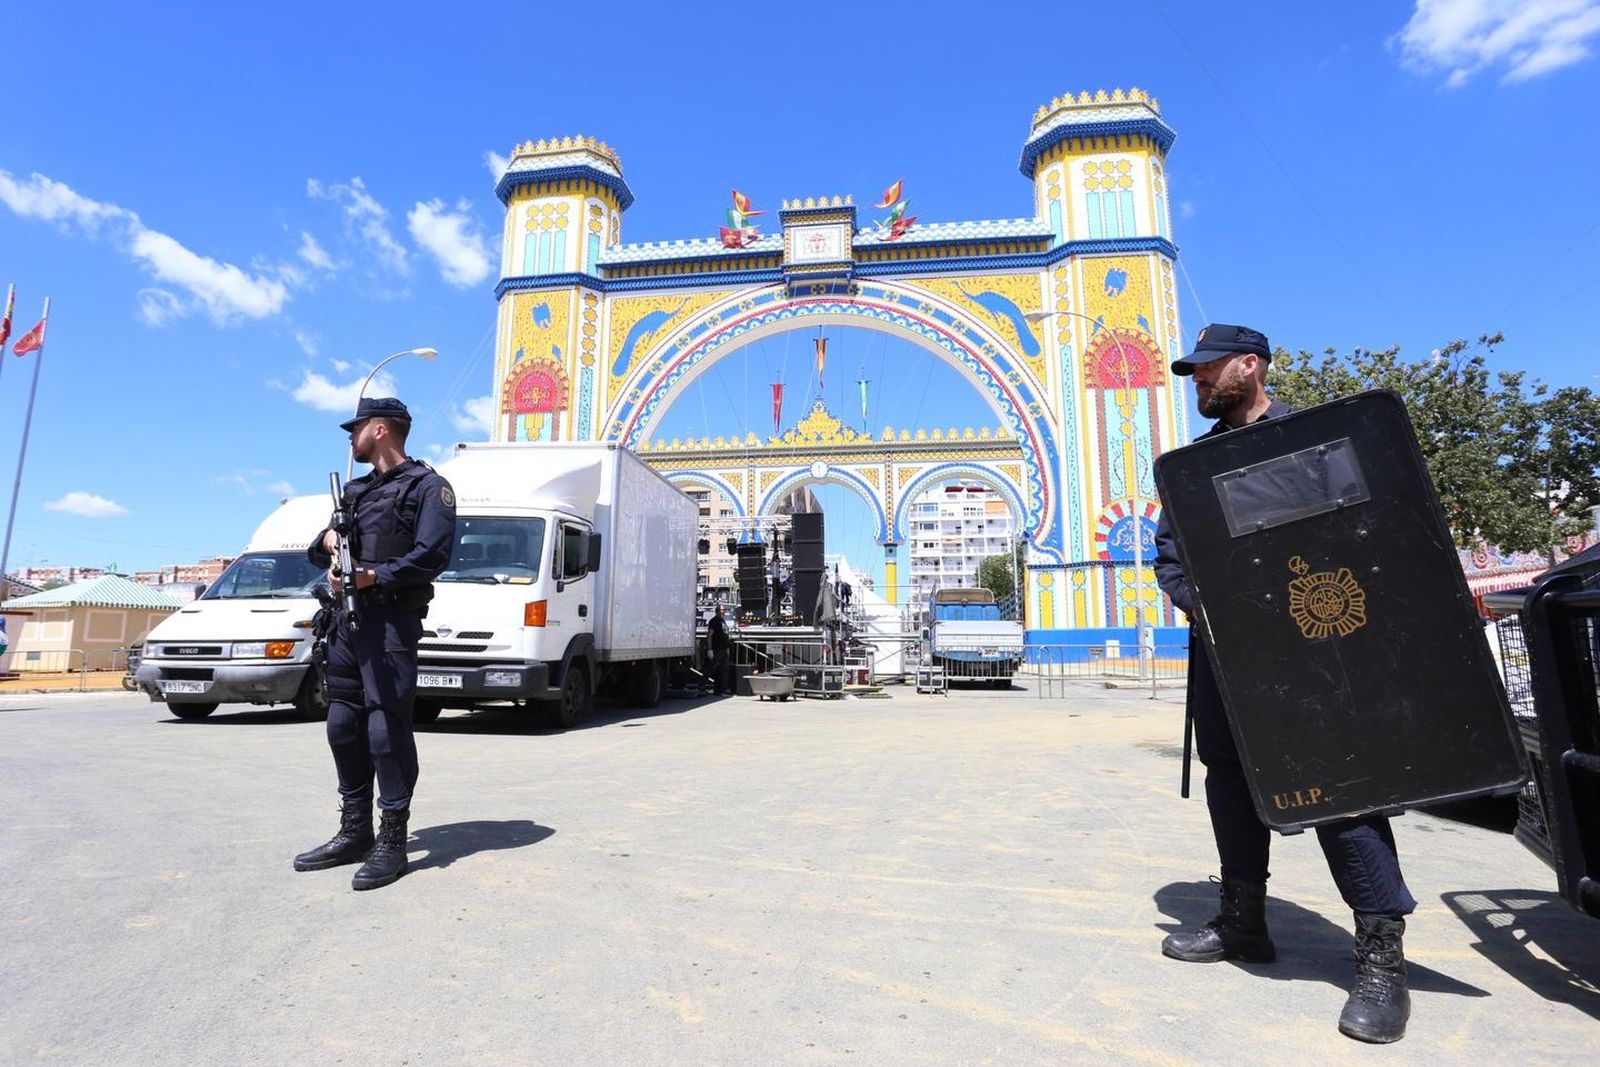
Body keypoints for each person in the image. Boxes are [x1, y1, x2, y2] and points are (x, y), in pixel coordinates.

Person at [1153, 324, 1415, 1044]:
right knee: (1229, 777)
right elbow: (1169, 556)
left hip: (1316, 652)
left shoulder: (1312, 442)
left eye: (1208, 370)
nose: (1198, 382)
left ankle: (1380, 954)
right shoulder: (1191, 466)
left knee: (1343, 785)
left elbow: (1356, 533)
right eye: (1194, 374)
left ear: (1250, 365)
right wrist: (1205, 603)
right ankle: (1244, 920)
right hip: (1227, 655)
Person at [293, 397, 456, 891]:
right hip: (344, 623)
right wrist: (324, 541)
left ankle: (393, 838)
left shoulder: (429, 487)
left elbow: (433, 555)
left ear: (381, 429)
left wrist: (373, 577)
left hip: (390, 621)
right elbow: (319, 551)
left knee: (386, 728)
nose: (350, 436)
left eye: (357, 427)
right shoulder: (356, 492)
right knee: (343, 725)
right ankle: (355, 831)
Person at [705, 602, 731, 695]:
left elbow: (725, 635)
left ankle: (722, 690)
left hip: (723, 649)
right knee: (709, 669)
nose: (723, 612)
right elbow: (709, 635)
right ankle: (701, 687)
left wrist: (727, 648)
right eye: (721, 610)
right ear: (717, 611)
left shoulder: (723, 621)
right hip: (716, 649)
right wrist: (710, 650)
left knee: (724, 671)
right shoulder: (714, 621)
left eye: (724, 610)